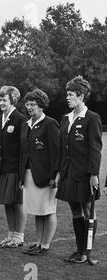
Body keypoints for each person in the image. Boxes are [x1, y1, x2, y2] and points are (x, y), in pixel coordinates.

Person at [55, 76, 102, 263]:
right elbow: (62, 149)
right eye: (67, 94)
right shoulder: (65, 118)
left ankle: (87, 252)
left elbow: (95, 149)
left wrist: (93, 174)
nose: (67, 98)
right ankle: (80, 251)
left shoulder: (92, 118)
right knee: (75, 210)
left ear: (81, 96)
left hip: (84, 174)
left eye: (71, 94)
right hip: (68, 172)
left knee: (88, 209)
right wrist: (59, 173)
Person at [19, 89, 60, 256]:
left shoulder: (50, 124)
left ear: (41, 105)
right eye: (27, 104)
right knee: (37, 211)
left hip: (46, 176)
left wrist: (54, 176)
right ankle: (38, 242)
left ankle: (45, 245)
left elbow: (56, 152)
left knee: (48, 210)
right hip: (29, 175)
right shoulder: (26, 125)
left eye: (33, 104)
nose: (29, 107)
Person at [0, 86, 27, 248]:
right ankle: (11, 235)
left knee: (17, 202)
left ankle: (19, 237)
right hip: (1, 168)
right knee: (7, 202)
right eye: (0, 99)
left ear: (13, 100)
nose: (1, 103)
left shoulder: (20, 119)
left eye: (4, 100)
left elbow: (24, 149)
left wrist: (22, 173)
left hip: (15, 169)